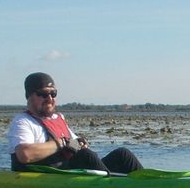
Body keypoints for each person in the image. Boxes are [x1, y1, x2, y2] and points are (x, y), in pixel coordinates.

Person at [8, 72, 143, 173]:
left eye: (53, 94)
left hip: (69, 173)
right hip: (49, 178)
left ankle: (148, 187)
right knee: (85, 156)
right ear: (29, 96)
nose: (49, 99)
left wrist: (80, 143)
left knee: (122, 155)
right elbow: (24, 154)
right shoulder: (23, 122)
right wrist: (61, 143)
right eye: (43, 94)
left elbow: (75, 143)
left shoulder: (59, 118)